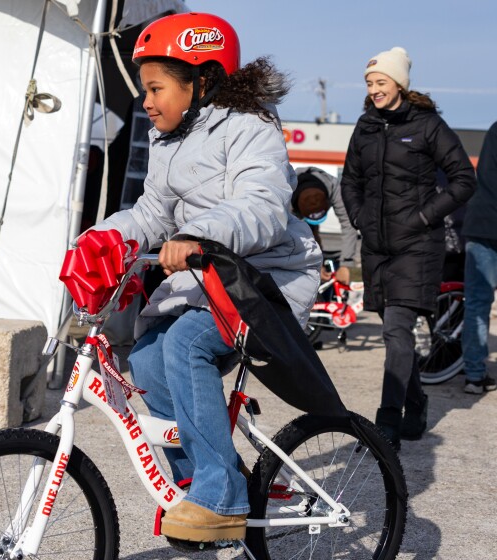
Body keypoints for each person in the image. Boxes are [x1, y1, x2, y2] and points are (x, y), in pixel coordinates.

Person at [83, 12, 321, 543]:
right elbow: (150, 214)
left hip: (270, 280)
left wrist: (201, 236)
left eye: (156, 87)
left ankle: (222, 496)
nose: (145, 100)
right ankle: (199, 476)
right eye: (145, 88)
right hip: (213, 277)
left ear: (203, 81)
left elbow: (260, 205)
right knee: (145, 355)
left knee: (187, 343)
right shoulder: (167, 140)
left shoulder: (250, 126)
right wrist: (103, 240)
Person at [340, 47, 476, 449]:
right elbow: (350, 181)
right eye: (369, 83)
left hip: (417, 246)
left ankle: (387, 425)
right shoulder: (365, 126)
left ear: (399, 84)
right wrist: (361, 216)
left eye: (381, 82)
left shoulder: (428, 125)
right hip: (379, 247)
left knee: (397, 332)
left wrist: (422, 217)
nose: (374, 89)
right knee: (394, 332)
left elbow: (463, 179)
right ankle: (415, 406)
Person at [461, 121, 497, 393]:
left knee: (476, 302)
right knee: (477, 302)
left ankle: (474, 375)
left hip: (479, 222)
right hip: (487, 223)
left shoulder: (495, 129)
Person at [292, 166, 359, 285]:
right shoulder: (284, 193)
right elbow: (290, 236)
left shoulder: (334, 187)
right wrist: (313, 265)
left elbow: (348, 224)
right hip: (294, 215)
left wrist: (345, 264)